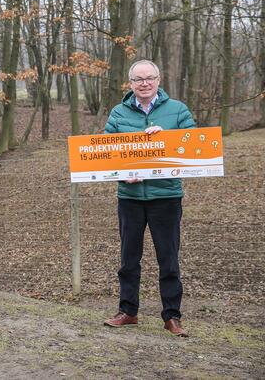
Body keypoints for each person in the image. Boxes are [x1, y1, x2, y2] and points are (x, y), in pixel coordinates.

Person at [103, 60, 195, 337]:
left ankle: (172, 316)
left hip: (166, 195)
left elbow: (193, 145)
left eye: (149, 78)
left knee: (168, 258)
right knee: (128, 258)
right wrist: (122, 174)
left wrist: (167, 138)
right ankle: (128, 311)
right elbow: (106, 154)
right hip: (129, 197)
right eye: (138, 79)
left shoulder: (177, 110)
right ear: (130, 84)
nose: (144, 83)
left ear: (159, 79)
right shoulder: (118, 113)